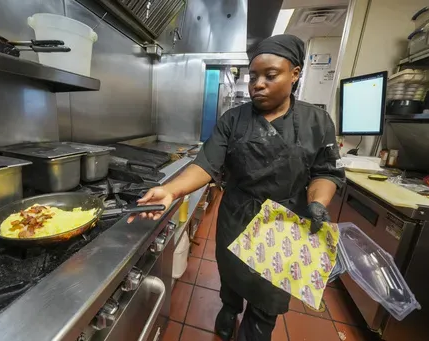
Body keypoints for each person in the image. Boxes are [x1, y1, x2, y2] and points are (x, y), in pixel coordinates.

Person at [129, 34, 345, 341]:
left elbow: (326, 172)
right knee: (232, 272)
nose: (257, 84)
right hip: (238, 214)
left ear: (295, 73)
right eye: (254, 76)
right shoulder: (233, 120)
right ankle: (229, 309)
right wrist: (172, 190)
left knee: (270, 290)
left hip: (286, 219)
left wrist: (318, 203)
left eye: (271, 76)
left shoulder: (318, 121)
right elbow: (206, 164)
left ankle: (256, 328)